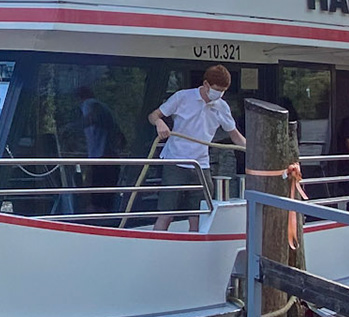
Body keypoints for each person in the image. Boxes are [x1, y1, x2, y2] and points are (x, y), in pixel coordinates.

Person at [149, 65, 244, 232]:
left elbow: (235, 136)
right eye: (216, 90)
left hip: (201, 164)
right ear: (206, 84)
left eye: (223, 91)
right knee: (166, 213)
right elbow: (153, 115)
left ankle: (195, 247)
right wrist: (160, 123)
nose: (219, 94)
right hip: (175, 161)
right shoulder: (182, 97)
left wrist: (255, 151)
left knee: (198, 214)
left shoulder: (222, 106)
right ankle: (155, 248)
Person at [75, 85, 126, 213]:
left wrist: (71, 128)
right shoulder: (106, 111)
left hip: (101, 158)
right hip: (109, 158)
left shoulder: (91, 105)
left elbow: (92, 116)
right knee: (106, 196)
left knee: (97, 196)